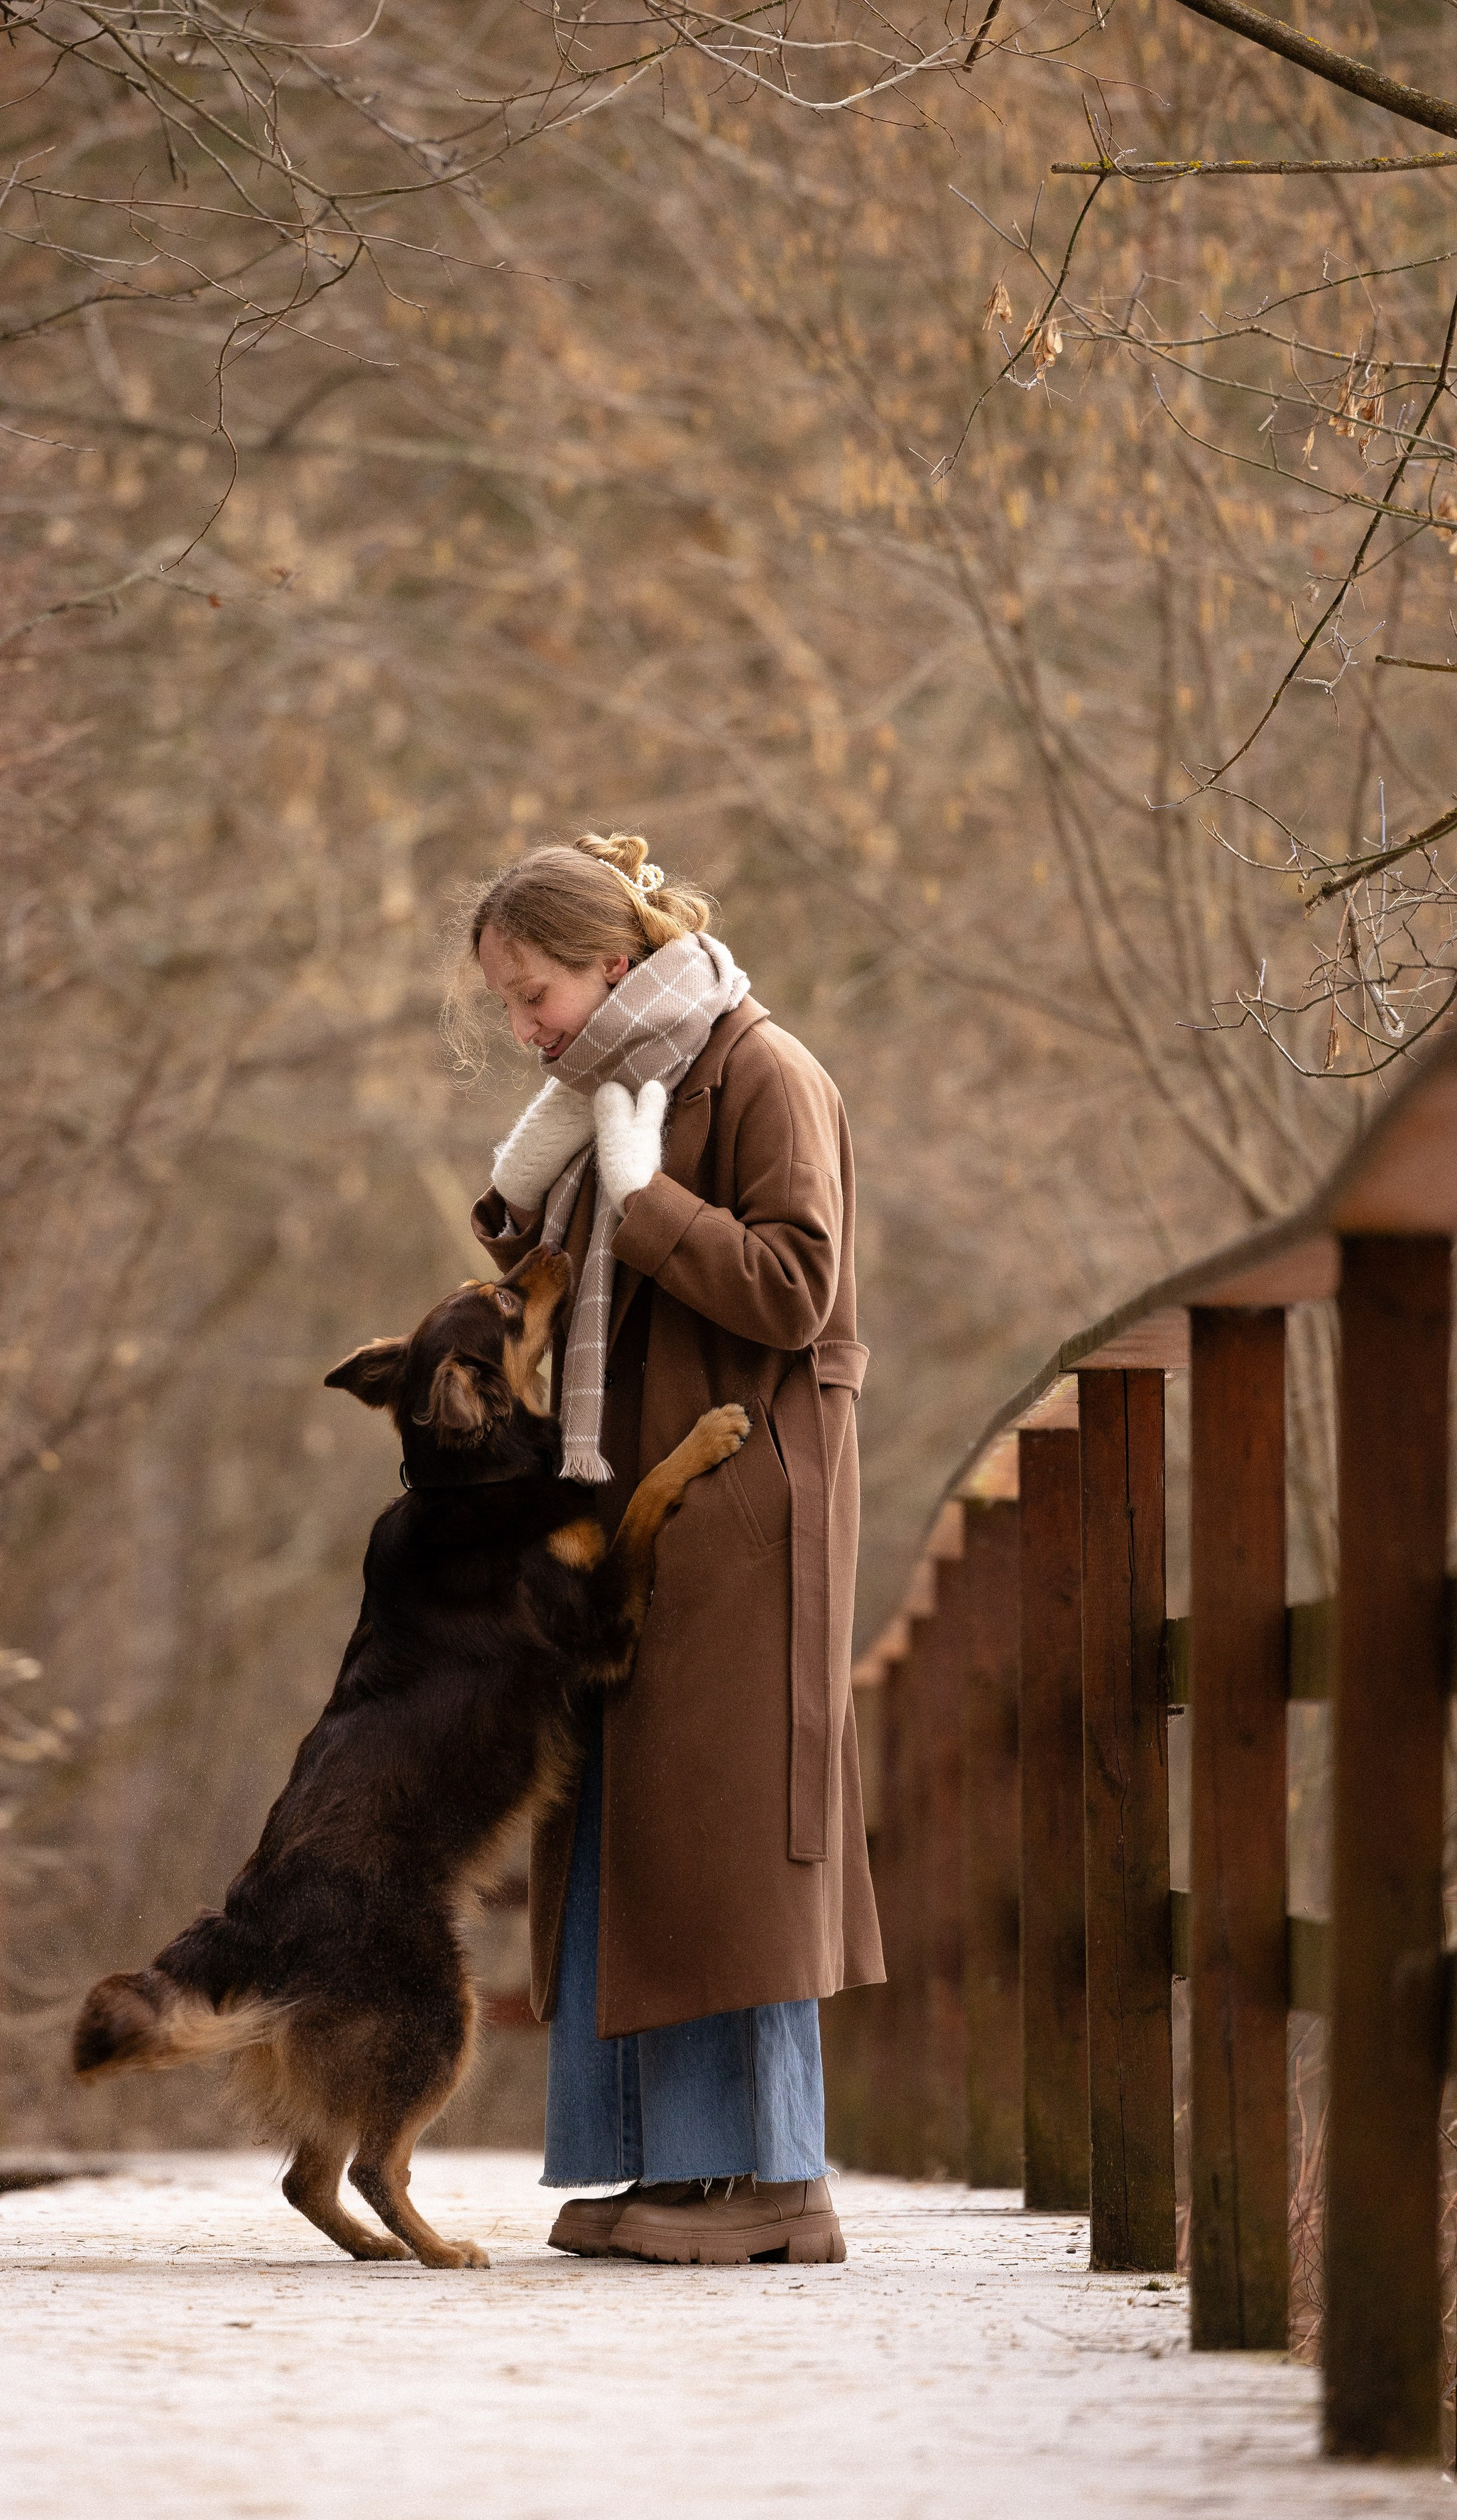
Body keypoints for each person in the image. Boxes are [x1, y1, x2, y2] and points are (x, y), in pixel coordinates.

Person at [462, 830, 882, 2265]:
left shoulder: (765, 1069)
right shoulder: (619, 1087)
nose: (523, 1028)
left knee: (723, 1838)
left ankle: (772, 2177)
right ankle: (661, 2165)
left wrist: (641, 1206)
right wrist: (533, 1190)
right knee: (626, 1827)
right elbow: (561, 1300)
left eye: (535, 995)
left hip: (745, 1507)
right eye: (509, 1005)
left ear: (614, 962)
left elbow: (794, 1286)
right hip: (631, 1509)